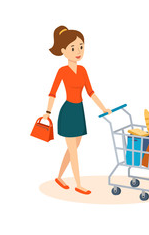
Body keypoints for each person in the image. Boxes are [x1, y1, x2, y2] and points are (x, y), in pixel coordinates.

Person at [43, 25, 112, 195]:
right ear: (63, 51)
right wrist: (48, 112)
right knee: (73, 151)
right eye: (73, 48)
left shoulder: (82, 70)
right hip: (68, 112)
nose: (78, 51)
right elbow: (53, 93)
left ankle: (59, 177)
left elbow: (90, 92)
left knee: (73, 148)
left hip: (79, 112)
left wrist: (104, 108)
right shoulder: (62, 71)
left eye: (81, 46)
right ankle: (78, 184)